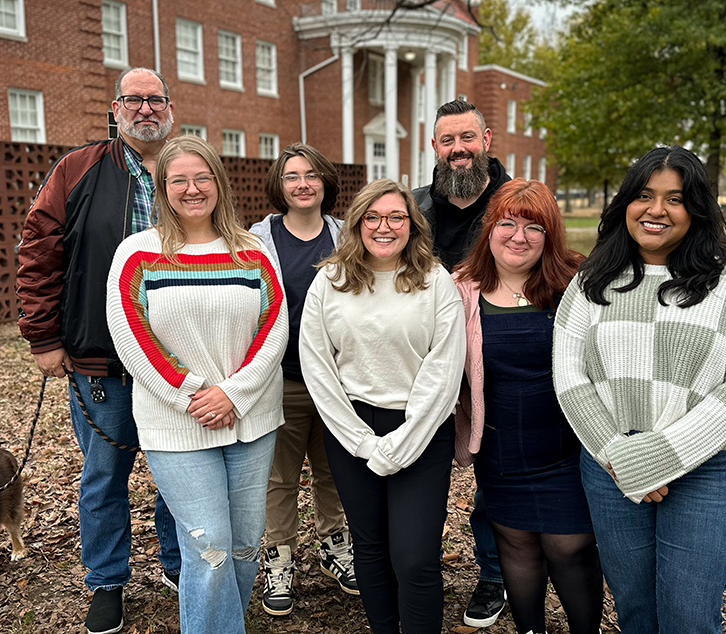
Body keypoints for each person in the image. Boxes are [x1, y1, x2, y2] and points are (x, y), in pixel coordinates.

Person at [553, 146, 726, 634]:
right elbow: (569, 377)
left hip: (708, 468)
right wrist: (618, 453)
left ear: (696, 209)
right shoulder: (591, 282)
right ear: (625, 204)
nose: (656, 210)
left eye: (674, 199)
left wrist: (659, 456)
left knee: (688, 618)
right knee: (635, 611)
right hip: (612, 465)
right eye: (644, 195)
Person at [16, 67, 182, 634]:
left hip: (178, 360)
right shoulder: (78, 169)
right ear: (115, 110)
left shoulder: (189, 168)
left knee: (179, 470)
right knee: (104, 476)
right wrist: (43, 336)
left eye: (154, 99)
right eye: (133, 100)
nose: (145, 109)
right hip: (101, 359)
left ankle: (178, 565)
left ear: (170, 108)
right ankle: (107, 581)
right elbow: (38, 250)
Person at [105, 135, 288, 634]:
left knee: (245, 547)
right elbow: (131, 333)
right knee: (210, 550)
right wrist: (193, 394)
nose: (192, 189)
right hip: (177, 424)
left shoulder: (252, 250)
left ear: (218, 183)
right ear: (162, 187)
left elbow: (274, 325)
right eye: (179, 180)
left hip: (251, 419)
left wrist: (233, 393)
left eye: (202, 177)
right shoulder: (138, 253)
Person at [300, 179, 466, 634]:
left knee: (414, 557)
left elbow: (445, 368)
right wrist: (360, 441)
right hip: (351, 428)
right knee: (370, 548)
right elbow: (318, 367)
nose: (384, 227)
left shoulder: (435, 281)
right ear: (357, 224)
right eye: (372, 217)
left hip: (422, 429)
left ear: (413, 225)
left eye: (396, 217)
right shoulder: (330, 281)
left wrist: (402, 443)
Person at [452, 179, 603, 634]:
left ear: (549, 235)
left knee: (569, 547)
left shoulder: (576, 284)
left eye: (534, 227)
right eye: (508, 224)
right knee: (516, 546)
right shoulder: (461, 289)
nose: (519, 237)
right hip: (501, 450)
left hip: (567, 449)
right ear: (489, 228)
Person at [413, 99, 511, 627]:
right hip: (421, 364)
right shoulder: (412, 207)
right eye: (447, 141)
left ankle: (494, 574)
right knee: (418, 470)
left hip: (494, 361)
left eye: (467, 138)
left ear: (486, 140)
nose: (458, 150)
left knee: (495, 478)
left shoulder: (515, 203)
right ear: (434, 146)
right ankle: (415, 568)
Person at [249, 143, 357, 616]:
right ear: (280, 185)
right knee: (280, 476)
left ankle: (335, 545)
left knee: (335, 470)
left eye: (311, 175)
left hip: (337, 381)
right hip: (282, 380)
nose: (302, 184)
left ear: (325, 182)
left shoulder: (347, 236)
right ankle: (280, 559)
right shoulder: (258, 239)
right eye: (292, 176)